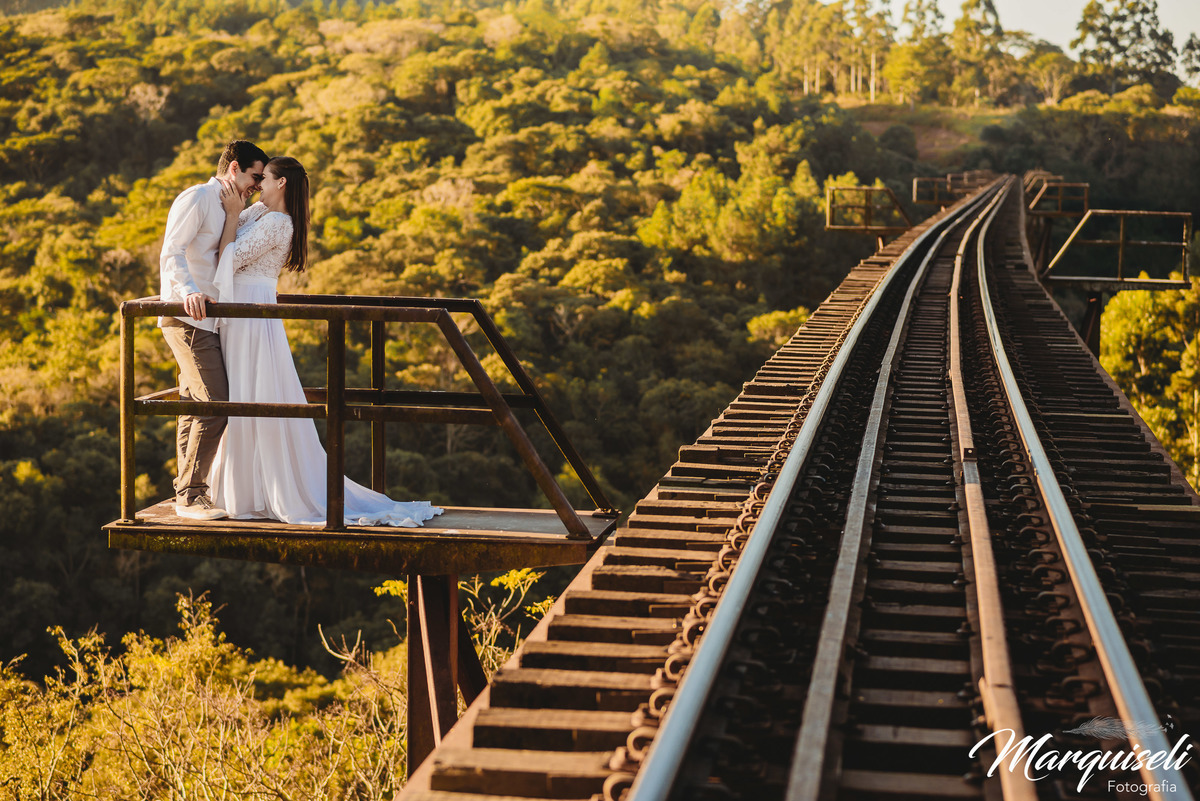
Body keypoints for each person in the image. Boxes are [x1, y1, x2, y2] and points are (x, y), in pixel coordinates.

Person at [207, 156, 443, 528]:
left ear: (281, 183)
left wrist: (233, 217)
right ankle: (242, 487)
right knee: (242, 391)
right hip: (239, 310)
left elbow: (229, 258)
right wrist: (236, 213)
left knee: (256, 390)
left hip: (252, 311)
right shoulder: (259, 213)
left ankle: (267, 488)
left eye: (264, 178)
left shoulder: (280, 223)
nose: (258, 185)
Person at [159, 140, 269, 520]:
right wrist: (188, 292)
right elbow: (171, 251)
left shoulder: (232, 205)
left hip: (213, 321)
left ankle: (185, 492)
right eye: (256, 176)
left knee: (194, 404)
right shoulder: (198, 197)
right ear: (235, 167)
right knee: (215, 403)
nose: (258, 184)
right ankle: (191, 495)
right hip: (187, 318)